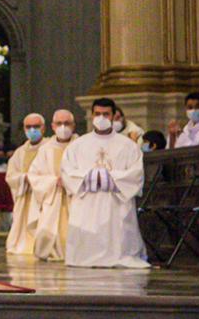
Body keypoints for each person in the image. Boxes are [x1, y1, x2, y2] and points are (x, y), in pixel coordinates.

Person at [61, 99, 149, 269]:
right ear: (92, 115)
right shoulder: (77, 145)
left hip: (115, 201)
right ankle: (84, 256)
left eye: (106, 114)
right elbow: (67, 171)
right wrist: (91, 176)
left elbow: (136, 174)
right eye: (97, 114)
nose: (101, 117)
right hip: (87, 202)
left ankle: (119, 255)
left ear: (113, 115)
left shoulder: (128, 146)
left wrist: (109, 177)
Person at [29, 109, 76, 262]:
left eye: (67, 123)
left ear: (74, 125)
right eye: (59, 123)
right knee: (47, 232)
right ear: (53, 126)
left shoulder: (81, 146)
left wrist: (71, 181)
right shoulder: (45, 149)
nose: (63, 127)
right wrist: (53, 181)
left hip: (75, 198)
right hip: (53, 196)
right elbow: (34, 175)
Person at [5, 113, 46, 258]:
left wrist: (37, 181)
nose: (32, 130)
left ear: (44, 128)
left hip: (43, 197)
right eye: (29, 127)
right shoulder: (19, 152)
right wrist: (24, 178)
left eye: (36, 126)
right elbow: (10, 176)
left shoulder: (49, 148)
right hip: (25, 195)